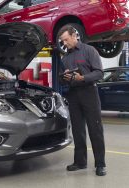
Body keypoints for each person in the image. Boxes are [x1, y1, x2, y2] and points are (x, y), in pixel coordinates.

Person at [58, 25, 107, 176]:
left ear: (74, 36)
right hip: (73, 94)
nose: (64, 43)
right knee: (78, 130)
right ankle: (80, 162)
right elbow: (63, 81)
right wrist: (65, 77)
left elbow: (99, 73)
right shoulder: (65, 58)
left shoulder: (89, 50)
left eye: (66, 40)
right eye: (62, 41)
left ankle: (100, 164)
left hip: (89, 93)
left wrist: (83, 78)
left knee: (95, 129)